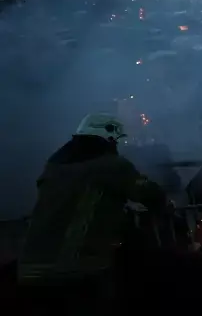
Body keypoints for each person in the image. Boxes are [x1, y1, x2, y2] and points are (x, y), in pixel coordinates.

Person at [17, 113, 167, 316]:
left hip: (30, 270)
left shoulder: (53, 167)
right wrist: (165, 204)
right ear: (108, 138)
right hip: (79, 270)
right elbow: (148, 193)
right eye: (115, 141)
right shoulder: (112, 165)